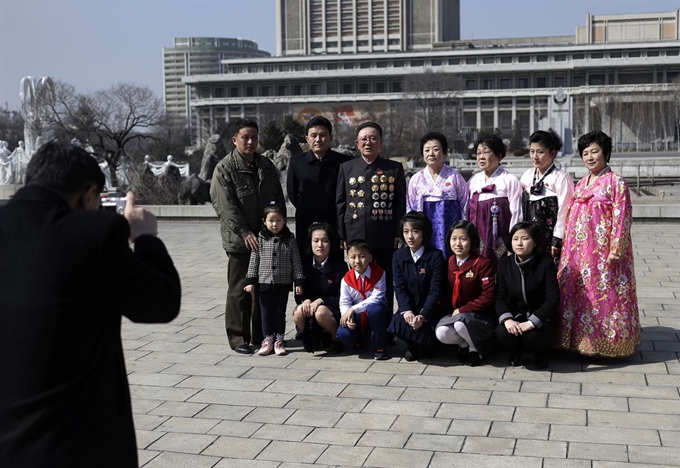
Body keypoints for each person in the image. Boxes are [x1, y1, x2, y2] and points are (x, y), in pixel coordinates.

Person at [0, 142, 181, 467]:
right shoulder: (93, 233)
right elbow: (160, 302)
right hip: (72, 445)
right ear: (88, 194)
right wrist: (145, 236)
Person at [556, 130, 641, 358]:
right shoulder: (582, 182)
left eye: (594, 151)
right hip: (578, 253)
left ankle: (611, 343)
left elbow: (622, 217)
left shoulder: (616, 182)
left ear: (605, 153)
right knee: (581, 295)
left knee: (605, 294)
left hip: (603, 253)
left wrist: (616, 249)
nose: (590, 157)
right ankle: (579, 341)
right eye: (585, 153)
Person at [210, 118, 286, 354]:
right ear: (235, 140)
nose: (251, 141)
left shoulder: (266, 165)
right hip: (240, 241)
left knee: (262, 289)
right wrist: (245, 232)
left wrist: (279, 229)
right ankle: (237, 338)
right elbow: (226, 207)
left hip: (266, 239)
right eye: (245, 137)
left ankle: (259, 336)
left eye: (254, 137)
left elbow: (278, 199)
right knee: (240, 289)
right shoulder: (225, 168)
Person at [336, 121, 406, 314]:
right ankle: (359, 324)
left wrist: (399, 233)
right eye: (364, 139)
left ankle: (384, 326)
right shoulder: (346, 168)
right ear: (357, 143)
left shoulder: (394, 168)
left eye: (373, 138)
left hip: (384, 234)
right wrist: (342, 234)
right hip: (355, 234)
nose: (368, 142)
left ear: (381, 142)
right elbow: (341, 203)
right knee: (357, 281)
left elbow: (400, 204)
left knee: (385, 278)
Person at [496, 222, 559, 369]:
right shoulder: (504, 264)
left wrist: (532, 322)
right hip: (517, 315)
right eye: (515, 238)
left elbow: (553, 299)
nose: (519, 243)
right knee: (503, 333)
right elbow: (500, 297)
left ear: (535, 242)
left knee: (532, 336)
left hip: (542, 317)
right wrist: (507, 319)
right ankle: (515, 353)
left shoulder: (545, 264)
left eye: (525, 239)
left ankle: (541, 354)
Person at [245, 205, 304, 356]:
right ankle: (267, 340)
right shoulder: (260, 239)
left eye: (278, 220)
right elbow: (254, 261)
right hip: (264, 283)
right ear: (264, 221)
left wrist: (298, 281)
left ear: (284, 221)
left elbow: (296, 261)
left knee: (279, 313)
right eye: (271, 220)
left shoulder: (289, 239)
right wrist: (250, 281)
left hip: (282, 283)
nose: (274, 224)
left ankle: (279, 340)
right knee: (265, 314)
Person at [387, 212, 446, 361]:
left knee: (431, 332)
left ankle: (428, 344)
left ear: (424, 233)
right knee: (396, 323)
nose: (410, 236)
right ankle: (412, 345)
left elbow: (436, 289)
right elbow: (399, 287)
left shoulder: (436, 256)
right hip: (410, 309)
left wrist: (424, 315)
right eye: (406, 232)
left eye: (415, 231)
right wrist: (406, 311)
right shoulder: (398, 256)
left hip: (430, 310)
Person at [287, 116, 351, 254]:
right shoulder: (296, 162)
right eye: (313, 135)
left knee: (333, 261)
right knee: (305, 262)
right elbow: (292, 192)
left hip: (334, 222)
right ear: (307, 138)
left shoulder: (344, 163)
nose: (318, 140)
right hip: (306, 221)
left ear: (331, 137)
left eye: (323, 135)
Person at [435, 220, 496, 366]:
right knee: (442, 332)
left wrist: (463, 310)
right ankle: (464, 345)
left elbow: (488, 297)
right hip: (456, 315)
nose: (458, 244)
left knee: (460, 325)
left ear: (472, 240)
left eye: (463, 239)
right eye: (454, 239)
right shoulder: (449, 262)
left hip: (479, 316)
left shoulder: (482, 263)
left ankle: (476, 349)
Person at [407, 132, 468, 255]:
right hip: (423, 231)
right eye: (427, 150)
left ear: (444, 153)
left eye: (436, 149)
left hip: (449, 229)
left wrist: (463, 230)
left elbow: (465, 204)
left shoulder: (454, 177)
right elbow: (409, 207)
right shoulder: (416, 179)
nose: (431, 154)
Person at [467, 134, 522, 268]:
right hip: (477, 236)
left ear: (498, 155)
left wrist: (513, 242)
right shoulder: (472, 182)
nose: (481, 157)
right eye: (478, 153)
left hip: (500, 237)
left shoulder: (510, 180)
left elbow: (516, 214)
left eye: (486, 152)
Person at [292, 222, 348, 353]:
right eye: (316, 241)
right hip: (311, 307)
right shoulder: (304, 264)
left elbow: (342, 297)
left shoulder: (340, 266)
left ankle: (336, 338)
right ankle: (318, 337)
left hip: (332, 309)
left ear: (331, 243)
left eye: (325, 241)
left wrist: (321, 300)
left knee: (321, 312)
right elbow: (299, 292)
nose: (320, 245)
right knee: (298, 312)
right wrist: (305, 300)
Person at [520, 130, 574, 259]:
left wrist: (558, 238)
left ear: (552, 153)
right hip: (529, 235)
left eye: (540, 152)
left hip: (550, 237)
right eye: (532, 151)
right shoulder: (526, 176)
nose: (535, 156)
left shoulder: (562, 178)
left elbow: (565, 210)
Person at [337, 239, 392, 360]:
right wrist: (347, 316)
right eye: (353, 257)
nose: (357, 261)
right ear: (348, 258)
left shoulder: (379, 273)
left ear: (370, 257)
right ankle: (360, 339)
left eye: (362, 256)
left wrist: (353, 308)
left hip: (376, 313)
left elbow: (377, 298)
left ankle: (379, 347)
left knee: (375, 310)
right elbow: (344, 301)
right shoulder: (346, 279)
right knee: (342, 334)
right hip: (357, 315)